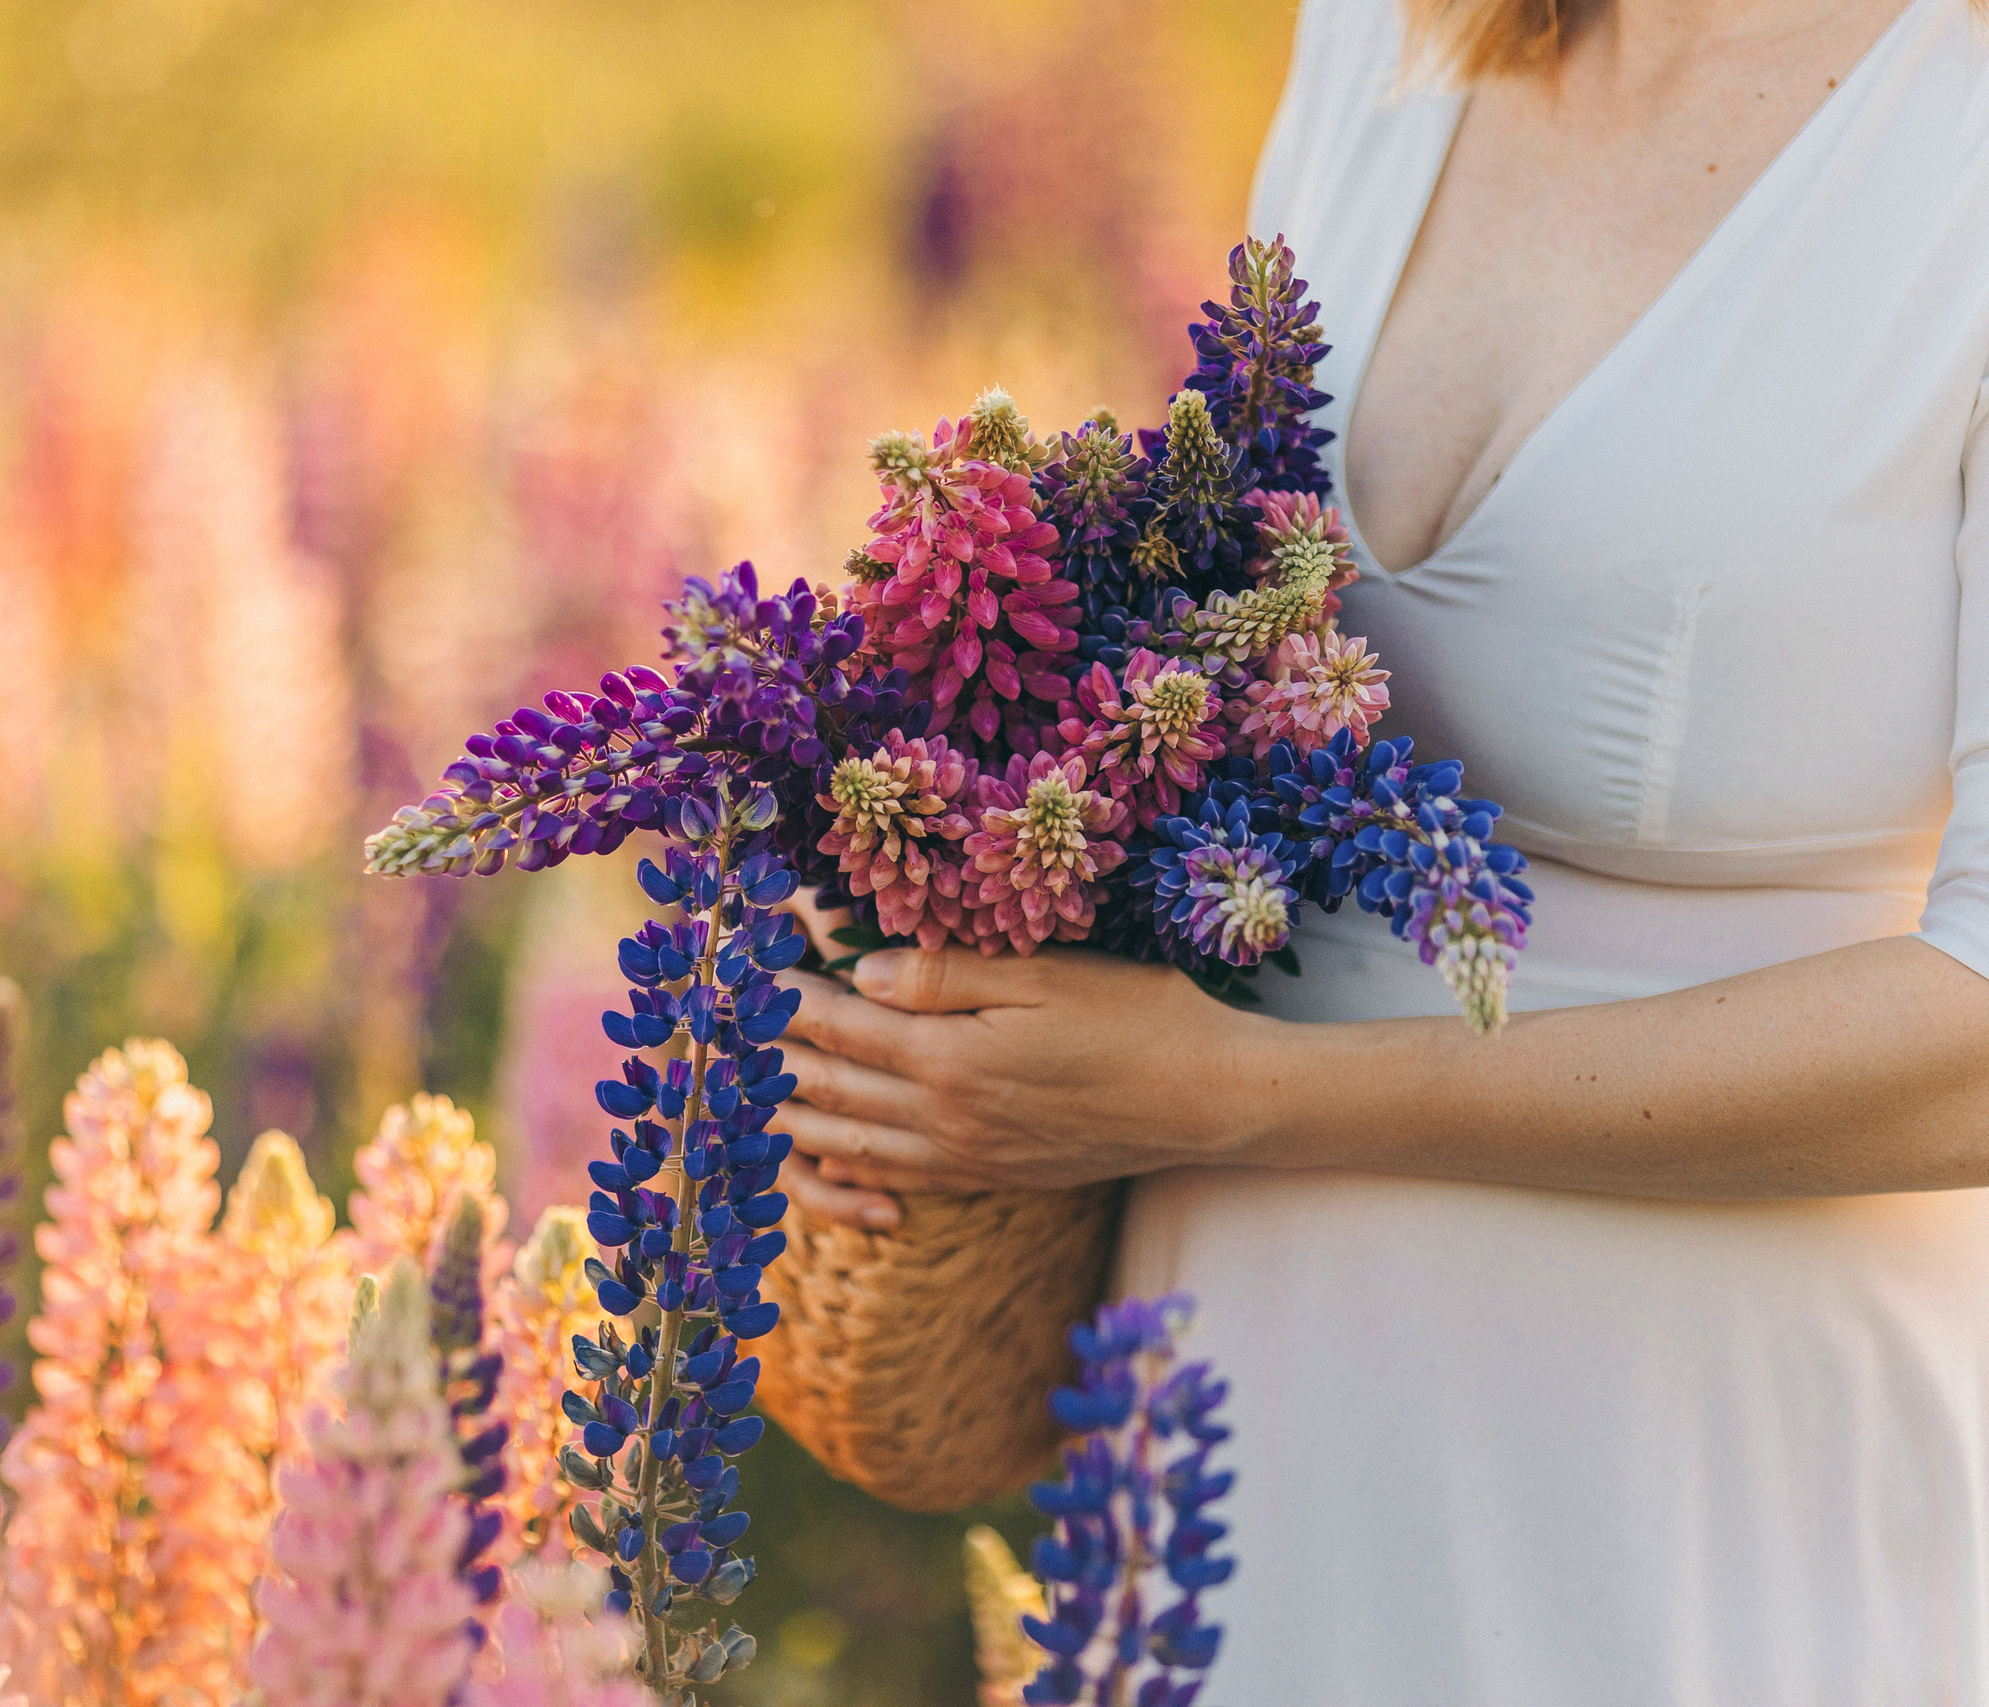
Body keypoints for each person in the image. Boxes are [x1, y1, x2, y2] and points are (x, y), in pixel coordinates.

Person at [774, 0, 1989, 1699]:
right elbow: (1227, 620)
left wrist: (1242, 1096)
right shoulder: (1392, 30)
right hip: (1225, 1404)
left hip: (1699, 1465)